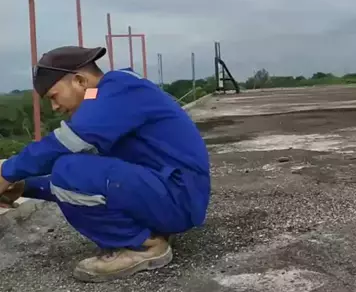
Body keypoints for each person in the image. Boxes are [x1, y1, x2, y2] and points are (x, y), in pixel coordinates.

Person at [0, 45, 211, 283]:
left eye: (53, 97)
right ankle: (150, 232)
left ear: (79, 81)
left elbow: (64, 147)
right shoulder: (115, 93)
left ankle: (142, 246)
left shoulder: (118, 90)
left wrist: (6, 173)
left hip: (177, 197)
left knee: (67, 168)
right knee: (73, 168)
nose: (55, 107)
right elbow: (96, 179)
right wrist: (26, 186)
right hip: (174, 193)